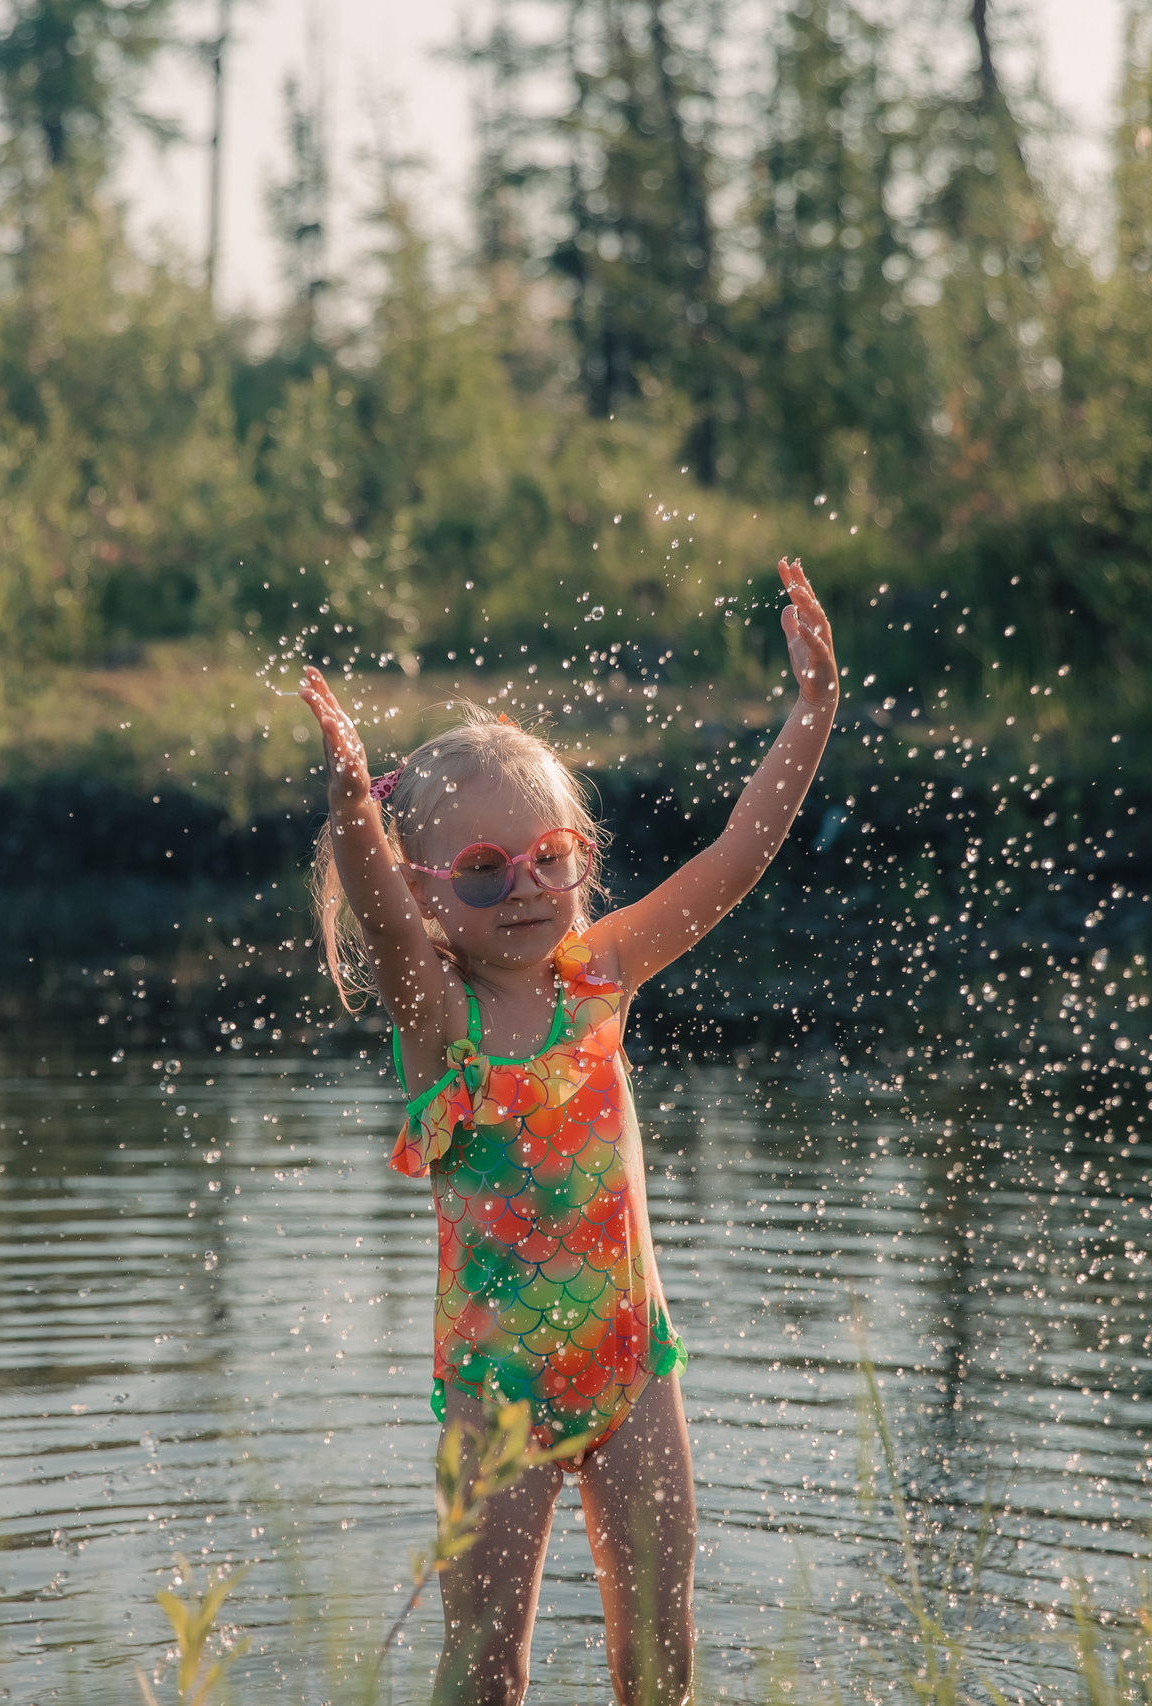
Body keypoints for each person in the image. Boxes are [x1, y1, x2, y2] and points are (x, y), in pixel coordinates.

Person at [299, 558, 841, 1706]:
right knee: (485, 1668)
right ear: (431, 887)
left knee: (660, 1647)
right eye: (486, 871)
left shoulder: (600, 972)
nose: (531, 886)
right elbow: (389, 932)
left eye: (551, 854)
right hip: (496, 1395)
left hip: (632, 1365)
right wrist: (353, 815)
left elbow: (732, 860)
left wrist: (807, 716)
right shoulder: (440, 1025)